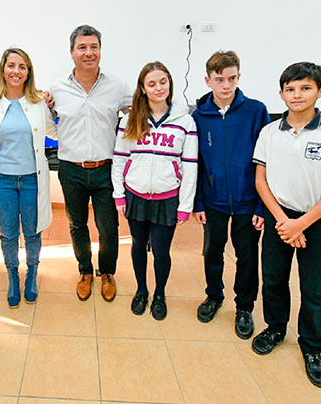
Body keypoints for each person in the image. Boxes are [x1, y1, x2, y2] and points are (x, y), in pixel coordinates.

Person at [251, 62, 321, 388]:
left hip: (318, 220)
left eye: (306, 88)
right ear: (281, 93)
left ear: (320, 91)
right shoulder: (270, 131)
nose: (297, 95)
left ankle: (312, 345)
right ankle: (275, 328)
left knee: (315, 287)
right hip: (280, 218)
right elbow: (261, 180)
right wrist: (284, 221)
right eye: (291, 89)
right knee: (273, 279)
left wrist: (302, 224)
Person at [48, 24, 132, 302]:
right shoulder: (58, 89)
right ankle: (84, 271)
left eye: (93, 47)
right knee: (77, 224)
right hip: (70, 169)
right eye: (82, 47)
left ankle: (107, 273)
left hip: (105, 169)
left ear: (100, 51)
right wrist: (64, 137)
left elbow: (138, 112)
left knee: (108, 226)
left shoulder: (117, 87)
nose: (88, 52)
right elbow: (47, 123)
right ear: (72, 52)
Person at [191, 51, 270, 338]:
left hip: (248, 201)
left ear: (239, 77)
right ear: (208, 80)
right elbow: (196, 162)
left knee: (246, 256)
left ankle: (244, 307)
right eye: (219, 79)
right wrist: (198, 201)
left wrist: (262, 206)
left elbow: (267, 161)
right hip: (213, 201)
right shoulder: (198, 117)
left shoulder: (256, 111)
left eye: (232, 78)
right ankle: (213, 296)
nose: (226, 85)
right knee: (212, 251)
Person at [111, 61, 198, 320]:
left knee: (161, 251)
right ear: (143, 88)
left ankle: (160, 294)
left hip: (167, 198)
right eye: (152, 84)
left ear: (170, 84)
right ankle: (142, 291)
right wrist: (119, 195)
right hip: (135, 196)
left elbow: (190, 166)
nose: (158, 88)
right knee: (138, 245)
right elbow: (119, 159)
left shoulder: (185, 122)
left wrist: (185, 206)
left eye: (163, 82)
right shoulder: (129, 120)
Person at [0, 48, 57, 308]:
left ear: (28, 73)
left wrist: (56, 108)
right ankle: (13, 276)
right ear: (3, 69)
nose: (16, 71)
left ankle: (32, 273)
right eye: (11, 65)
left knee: (33, 231)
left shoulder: (38, 103)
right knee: (8, 233)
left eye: (22, 66)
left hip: (31, 180)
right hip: (2, 179)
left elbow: (55, 132)